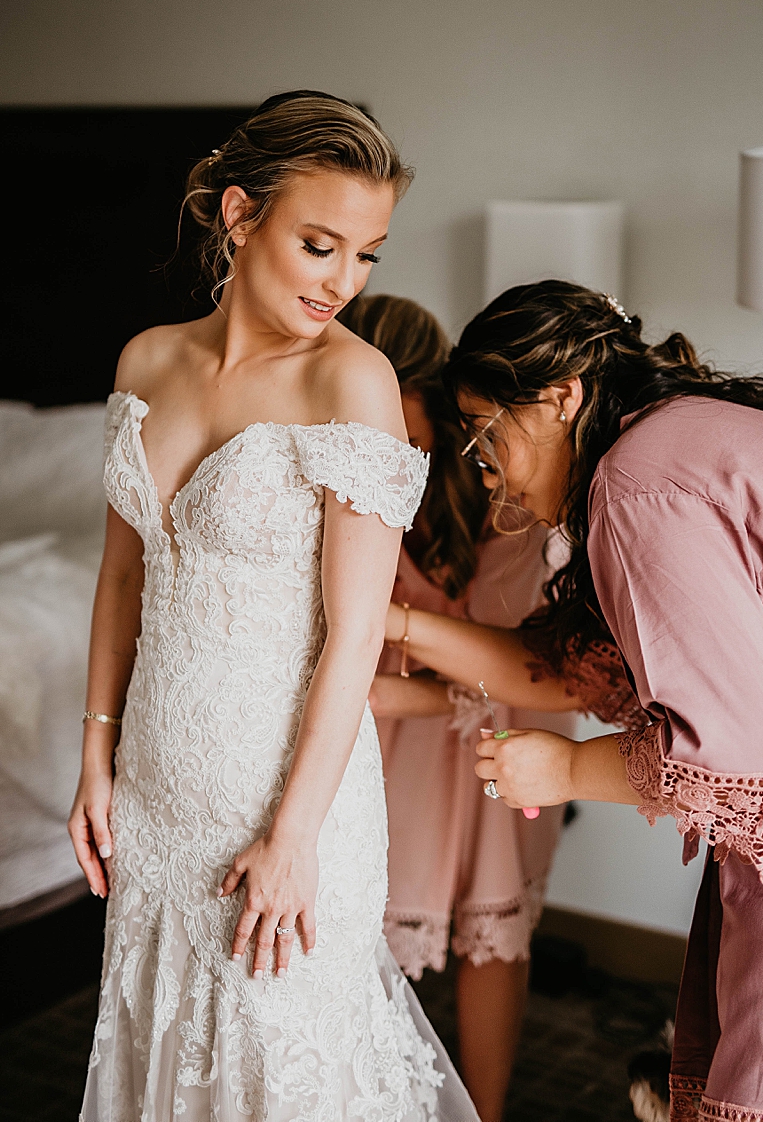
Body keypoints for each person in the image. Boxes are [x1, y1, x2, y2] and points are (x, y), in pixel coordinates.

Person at [68, 91, 477, 1120]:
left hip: (289, 800)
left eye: (367, 255)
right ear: (240, 214)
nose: (343, 281)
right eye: (319, 245)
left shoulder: (354, 382)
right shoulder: (145, 359)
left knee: (288, 1078)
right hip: (155, 793)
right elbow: (123, 578)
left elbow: (354, 636)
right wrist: (95, 754)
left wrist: (293, 835)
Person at [383, 281, 763, 1122]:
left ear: (561, 397)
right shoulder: (665, 440)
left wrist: (568, 767)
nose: (480, 463)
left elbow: (737, 756)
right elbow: (567, 670)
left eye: (485, 427)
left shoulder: (635, 483)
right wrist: (388, 623)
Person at [345, 293, 578, 1122]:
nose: (381, 447)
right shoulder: (340, 466)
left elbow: (518, 655)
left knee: (494, 928)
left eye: (399, 428)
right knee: (360, 928)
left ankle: (487, 1110)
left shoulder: (497, 488)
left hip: (502, 720)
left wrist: (400, 682)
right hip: (387, 736)